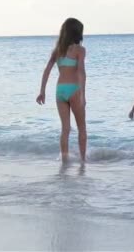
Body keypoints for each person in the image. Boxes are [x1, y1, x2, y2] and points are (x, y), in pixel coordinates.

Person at [37, 18, 87, 163]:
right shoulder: (80, 50)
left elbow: (47, 70)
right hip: (74, 90)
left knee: (65, 129)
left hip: (60, 91)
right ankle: (83, 162)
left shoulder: (57, 50)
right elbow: (81, 72)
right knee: (82, 128)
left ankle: (64, 161)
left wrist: (42, 91)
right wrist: (83, 95)